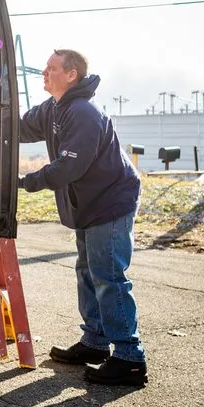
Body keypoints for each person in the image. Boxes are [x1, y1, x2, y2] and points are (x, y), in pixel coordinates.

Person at [19, 49, 147, 386]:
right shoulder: (53, 109)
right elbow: (18, 128)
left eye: (51, 68)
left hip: (110, 202)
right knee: (87, 271)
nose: (44, 73)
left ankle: (129, 357)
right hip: (88, 205)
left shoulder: (84, 112)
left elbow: (70, 165)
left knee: (108, 276)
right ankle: (94, 342)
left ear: (71, 74)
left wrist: (27, 181)